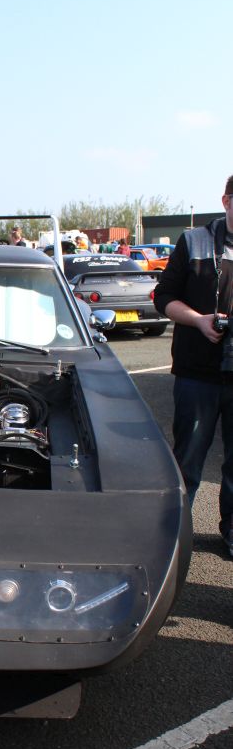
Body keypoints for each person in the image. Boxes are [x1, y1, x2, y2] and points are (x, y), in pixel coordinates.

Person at [154, 174, 233, 558]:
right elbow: (163, 297)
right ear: (226, 201)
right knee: (188, 460)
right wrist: (200, 320)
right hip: (197, 373)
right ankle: (176, 535)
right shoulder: (194, 241)